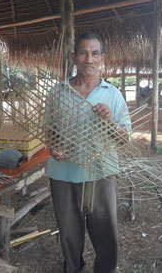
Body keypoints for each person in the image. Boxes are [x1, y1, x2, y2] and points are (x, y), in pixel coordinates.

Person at [46, 33, 131, 273]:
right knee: (69, 232)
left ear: (102, 58)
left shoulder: (112, 94)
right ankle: (73, 268)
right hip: (64, 176)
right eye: (83, 52)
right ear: (73, 57)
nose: (88, 59)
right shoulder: (57, 93)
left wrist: (110, 122)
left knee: (105, 231)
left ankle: (105, 269)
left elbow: (124, 138)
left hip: (102, 174)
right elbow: (49, 132)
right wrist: (53, 147)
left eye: (95, 53)